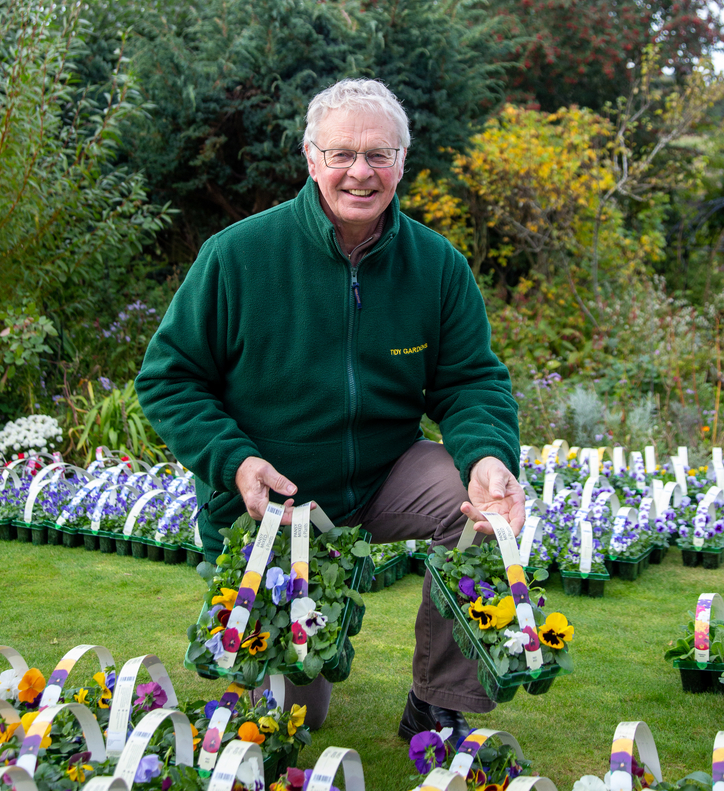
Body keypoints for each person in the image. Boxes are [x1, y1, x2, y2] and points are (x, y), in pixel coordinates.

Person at [135, 78, 523, 746]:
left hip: (383, 474)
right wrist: (235, 462)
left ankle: (437, 702)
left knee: (485, 515)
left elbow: (470, 382)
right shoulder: (238, 256)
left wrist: (488, 459)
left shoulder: (436, 265)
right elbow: (170, 380)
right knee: (295, 714)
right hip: (276, 502)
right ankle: (278, 674)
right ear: (311, 159)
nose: (361, 172)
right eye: (341, 154)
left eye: (380, 154)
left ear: (403, 161)